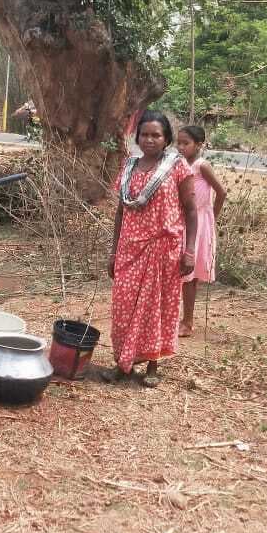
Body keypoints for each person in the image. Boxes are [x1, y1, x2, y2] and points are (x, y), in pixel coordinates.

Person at [104, 110, 197, 388]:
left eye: (156, 135)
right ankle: (124, 362)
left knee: (156, 308)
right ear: (137, 137)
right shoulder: (129, 166)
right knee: (124, 306)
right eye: (144, 134)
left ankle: (153, 365)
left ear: (166, 138)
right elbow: (121, 212)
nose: (150, 140)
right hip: (130, 249)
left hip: (163, 249)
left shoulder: (177, 166)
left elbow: (191, 211)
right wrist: (114, 250)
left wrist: (189, 251)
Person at [177, 123, 227, 336]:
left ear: (199, 144)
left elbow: (221, 192)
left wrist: (210, 217)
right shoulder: (178, 163)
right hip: (182, 220)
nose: (180, 147)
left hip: (199, 224)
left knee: (190, 275)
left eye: (185, 143)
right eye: (178, 143)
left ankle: (187, 322)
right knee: (180, 273)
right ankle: (179, 318)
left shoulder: (201, 165)